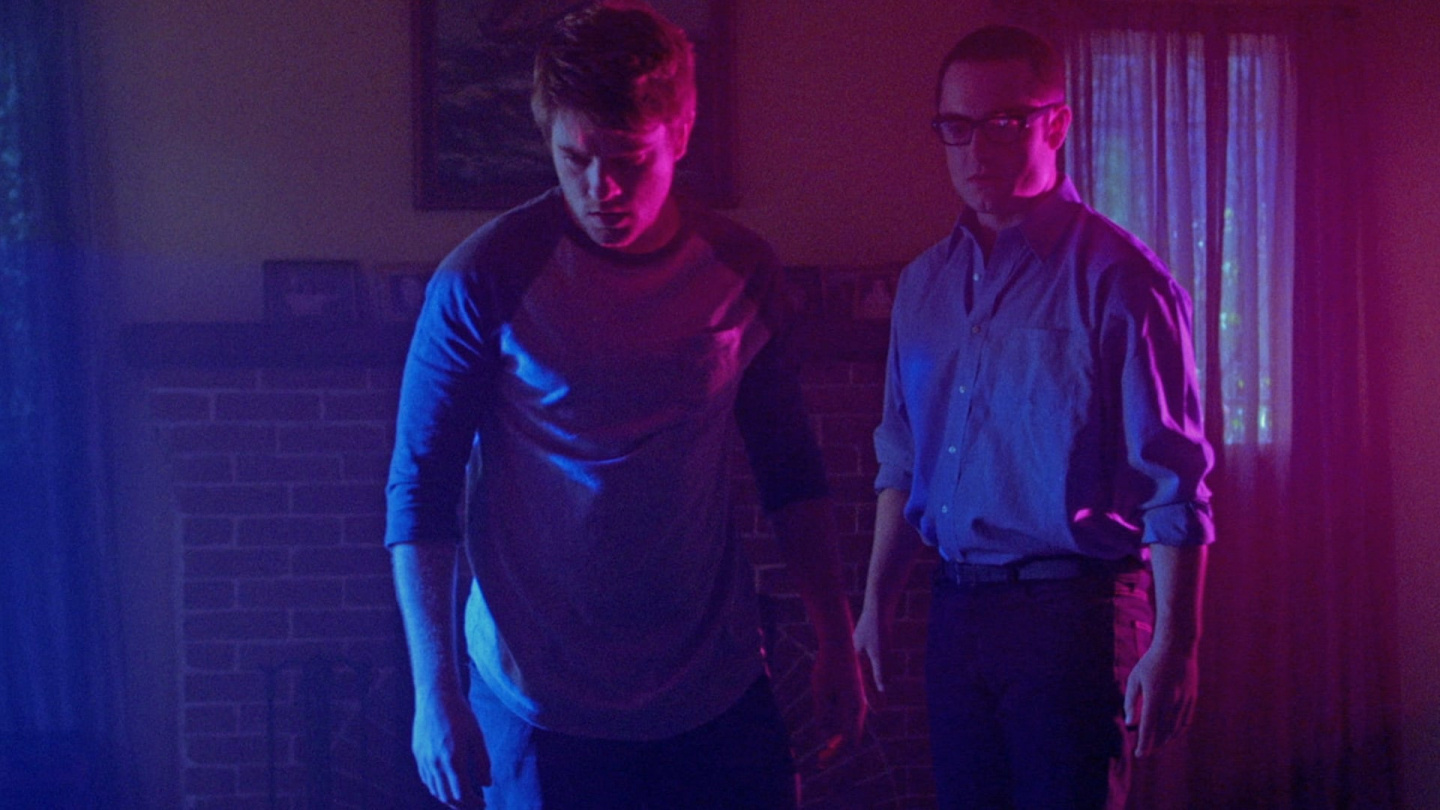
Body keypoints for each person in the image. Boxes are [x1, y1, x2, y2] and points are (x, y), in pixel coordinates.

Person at [384, 3, 865, 808]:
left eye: (629, 160)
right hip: (538, 696)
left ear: (681, 134)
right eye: (574, 159)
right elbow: (420, 485)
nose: (600, 189)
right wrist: (433, 692)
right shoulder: (482, 278)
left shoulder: (741, 270)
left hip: (714, 686)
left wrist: (835, 637)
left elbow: (792, 472)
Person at [852, 24, 1214, 810]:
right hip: (957, 609)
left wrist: (1175, 642)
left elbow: (1174, 482)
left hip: (1073, 613)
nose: (976, 149)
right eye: (957, 127)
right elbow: (902, 458)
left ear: (1057, 124)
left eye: (1004, 123)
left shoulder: (1122, 281)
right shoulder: (924, 286)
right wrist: (877, 601)